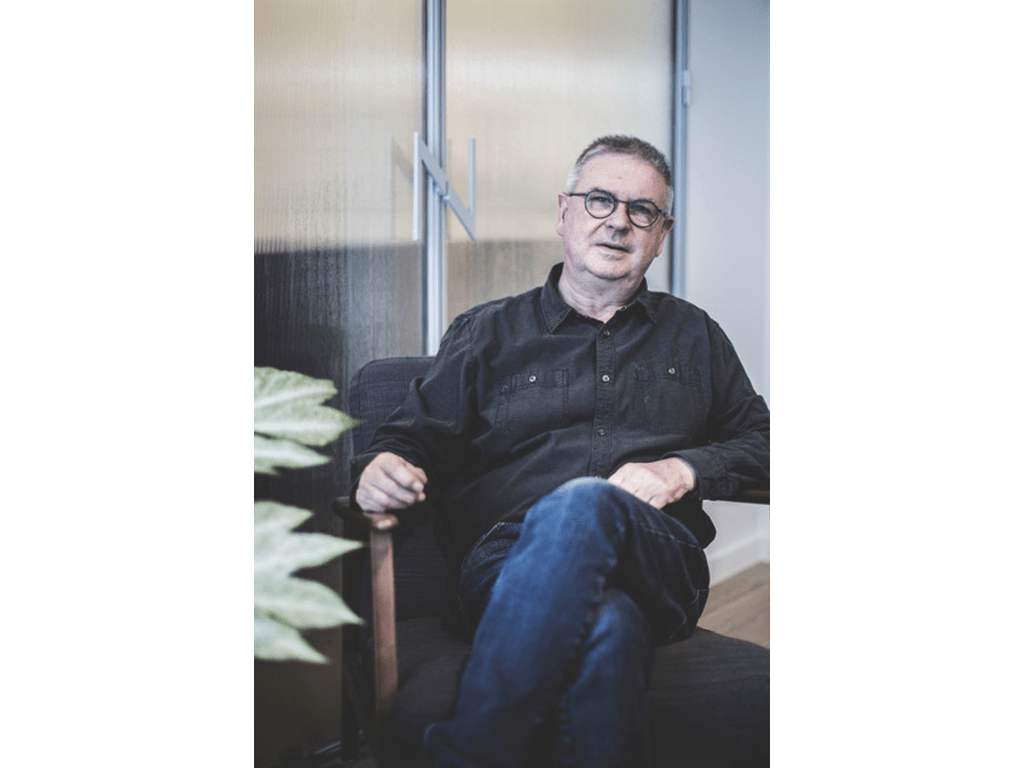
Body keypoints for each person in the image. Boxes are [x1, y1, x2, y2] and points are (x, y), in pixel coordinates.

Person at [351, 135, 770, 768]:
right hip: (507, 562)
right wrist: (379, 467)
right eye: (600, 200)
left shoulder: (696, 335)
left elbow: (766, 445)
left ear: (661, 235)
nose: (619, 222)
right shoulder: (486, 332)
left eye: (642, 210)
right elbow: (408, 439)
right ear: (564, 212)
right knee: (609, 627)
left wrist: (683, 468)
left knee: (585, 503)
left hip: (658, 560)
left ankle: (466, 752)